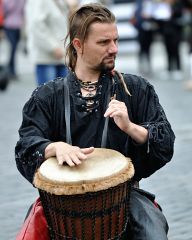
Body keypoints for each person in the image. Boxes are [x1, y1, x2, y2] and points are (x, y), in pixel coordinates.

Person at [15, 3, 175, 239]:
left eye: (116, 40)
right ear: (78, 45)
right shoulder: (47, 96)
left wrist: (131, 128)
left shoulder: (136, 89)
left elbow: (165, 142)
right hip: (62, 203)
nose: (114, 49)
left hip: (124, 197)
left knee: (153, 233)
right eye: (103, 42)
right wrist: (53, 147)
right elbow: (26, 145)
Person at [24, 0, 74, 86]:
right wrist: (53, 47)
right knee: (48, 96)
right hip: (47, 58)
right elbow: (36, 26)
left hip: (62, 56)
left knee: (62, 95)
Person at [2, 0, 25, 79]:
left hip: (18, 26)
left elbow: (23, 11)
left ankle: (12, 70)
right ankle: (10, 70)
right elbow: (6, 9)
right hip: (9, 25)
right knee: (13, 47)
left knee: (14, 49)